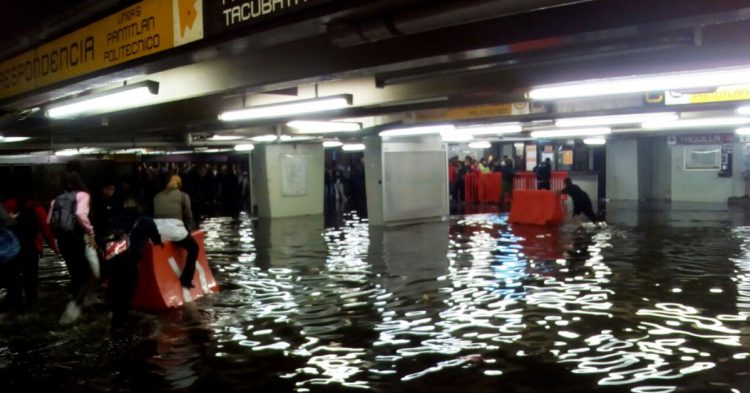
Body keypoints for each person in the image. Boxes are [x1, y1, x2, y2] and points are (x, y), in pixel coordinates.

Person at [105, 197, 162, 332]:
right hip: (130, 262)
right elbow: (157, 239)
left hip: (113, 262)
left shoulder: (114, 219)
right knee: (127, 294)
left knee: (115, 293)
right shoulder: (146, 220)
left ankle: (114, 320)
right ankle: (121, 325)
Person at [49, 171, 96, 324]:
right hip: (75, 238)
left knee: (74, 274)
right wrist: (91, 232)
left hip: (63, 240)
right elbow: (81, 214)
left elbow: (49, 220)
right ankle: (74, 307)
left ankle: (78, 303)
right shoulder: (82, 195)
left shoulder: (56, 199)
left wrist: (56, 239)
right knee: (87, 275)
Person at [1, 191, 58, 311]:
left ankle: (14, 305)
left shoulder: (7, 204)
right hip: (32, 248)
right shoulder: (37, 207)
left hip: (13, 250)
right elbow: (46, 229)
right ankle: (31, 306)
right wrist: (55, 248)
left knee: (14, 280)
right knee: (31, 281)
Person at [153, 175, 199, 288]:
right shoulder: (183, 196)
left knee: (174, 236)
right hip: (175, 230)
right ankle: (186, 279)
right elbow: (188, 215)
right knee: (194, 248)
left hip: (158, 231)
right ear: (179, 184)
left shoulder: (157, 196)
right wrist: (192, 229)